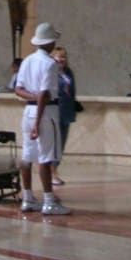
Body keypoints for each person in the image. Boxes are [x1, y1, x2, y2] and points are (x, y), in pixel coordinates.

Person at [14, 22, 71, 215]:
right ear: (51, 41)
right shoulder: (49, 64)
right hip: (46, 113)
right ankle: (49, 201)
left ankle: (27, 198)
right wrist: (38, 123)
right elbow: (45, 94)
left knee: (27, 157)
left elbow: (18, 89)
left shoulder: (27, 61)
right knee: (46, 157)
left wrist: (33, 98)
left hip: (28, 112)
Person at [51, 46, 78, 187]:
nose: (61, 59)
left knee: (61, 143)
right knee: (54, 143)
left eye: (63, 57)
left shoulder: (68, 72)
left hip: (67, 111)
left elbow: (72, 92)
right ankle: (52, 172)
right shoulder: (51, 72)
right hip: (55, 110)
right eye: (59, 56)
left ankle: (55, 169)